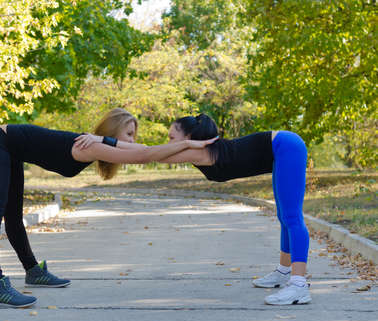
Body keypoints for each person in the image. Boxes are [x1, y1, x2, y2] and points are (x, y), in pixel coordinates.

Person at [0, 108, 217, 308]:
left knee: (14, 218)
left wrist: (187, 146)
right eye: (129, 133)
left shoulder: (97, 142)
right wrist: (188, 144)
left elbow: (143, 149)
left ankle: (33, 272)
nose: (132, 140)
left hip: (11, 149)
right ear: (114, 130)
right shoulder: (89, 145)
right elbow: (145, 155)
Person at [75, 113, 311, 305]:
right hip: (279, 148)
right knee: (284, 216)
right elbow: (146, 150)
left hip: (285, 146)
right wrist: (101, 141)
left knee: (291, 216)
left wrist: (101, 140)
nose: (167, 143)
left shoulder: (197, 151)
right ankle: (283, 271)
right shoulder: (196, 149)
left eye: (171, 137)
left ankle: (299, 285)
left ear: (188, 137)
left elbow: (145, 155)